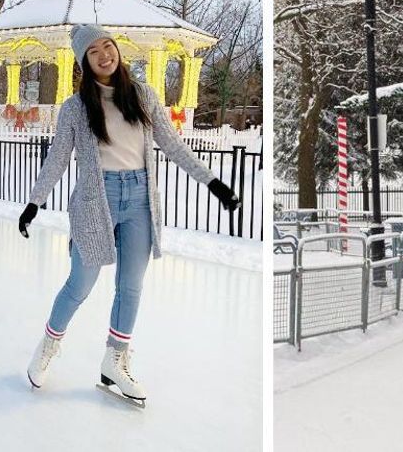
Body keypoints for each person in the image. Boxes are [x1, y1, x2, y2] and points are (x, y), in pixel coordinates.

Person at [17, 24, 241, 405]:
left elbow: (173, 145)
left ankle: (114, 360)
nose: (105, 54)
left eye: (108, 46)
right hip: (95, 201)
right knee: (80, 284)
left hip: (140, 199)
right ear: (85, 62)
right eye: (94, 51)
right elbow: (57, 159)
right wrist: (34, 202)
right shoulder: (75, 108)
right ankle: (49, 344)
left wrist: (213, 183)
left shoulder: (141, 95)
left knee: (131, 287)